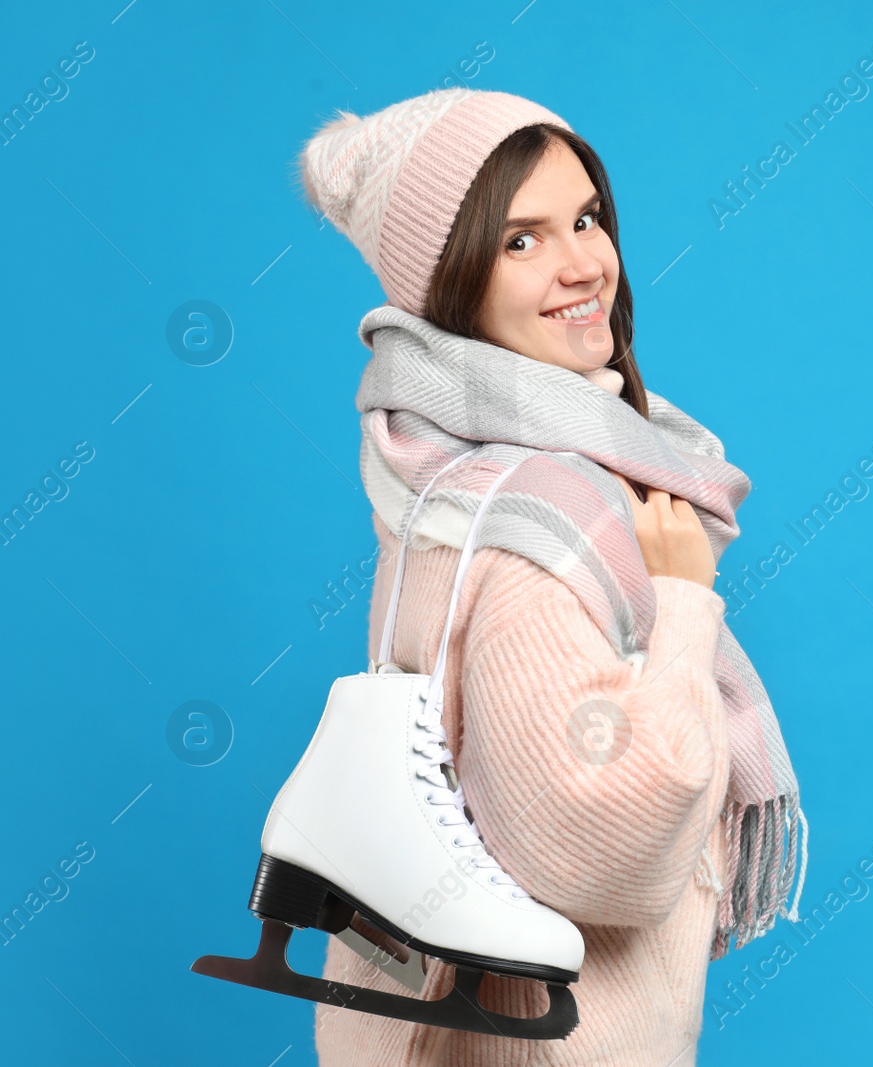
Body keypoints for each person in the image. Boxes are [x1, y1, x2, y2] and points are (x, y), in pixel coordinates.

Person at [294, 87, 807, 1066]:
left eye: (584, 218)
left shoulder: (440, 469)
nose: (583, 264)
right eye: (520, 241)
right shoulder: (538, 511)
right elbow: (599, 851)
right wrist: (687, 603)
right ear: (448, 278)